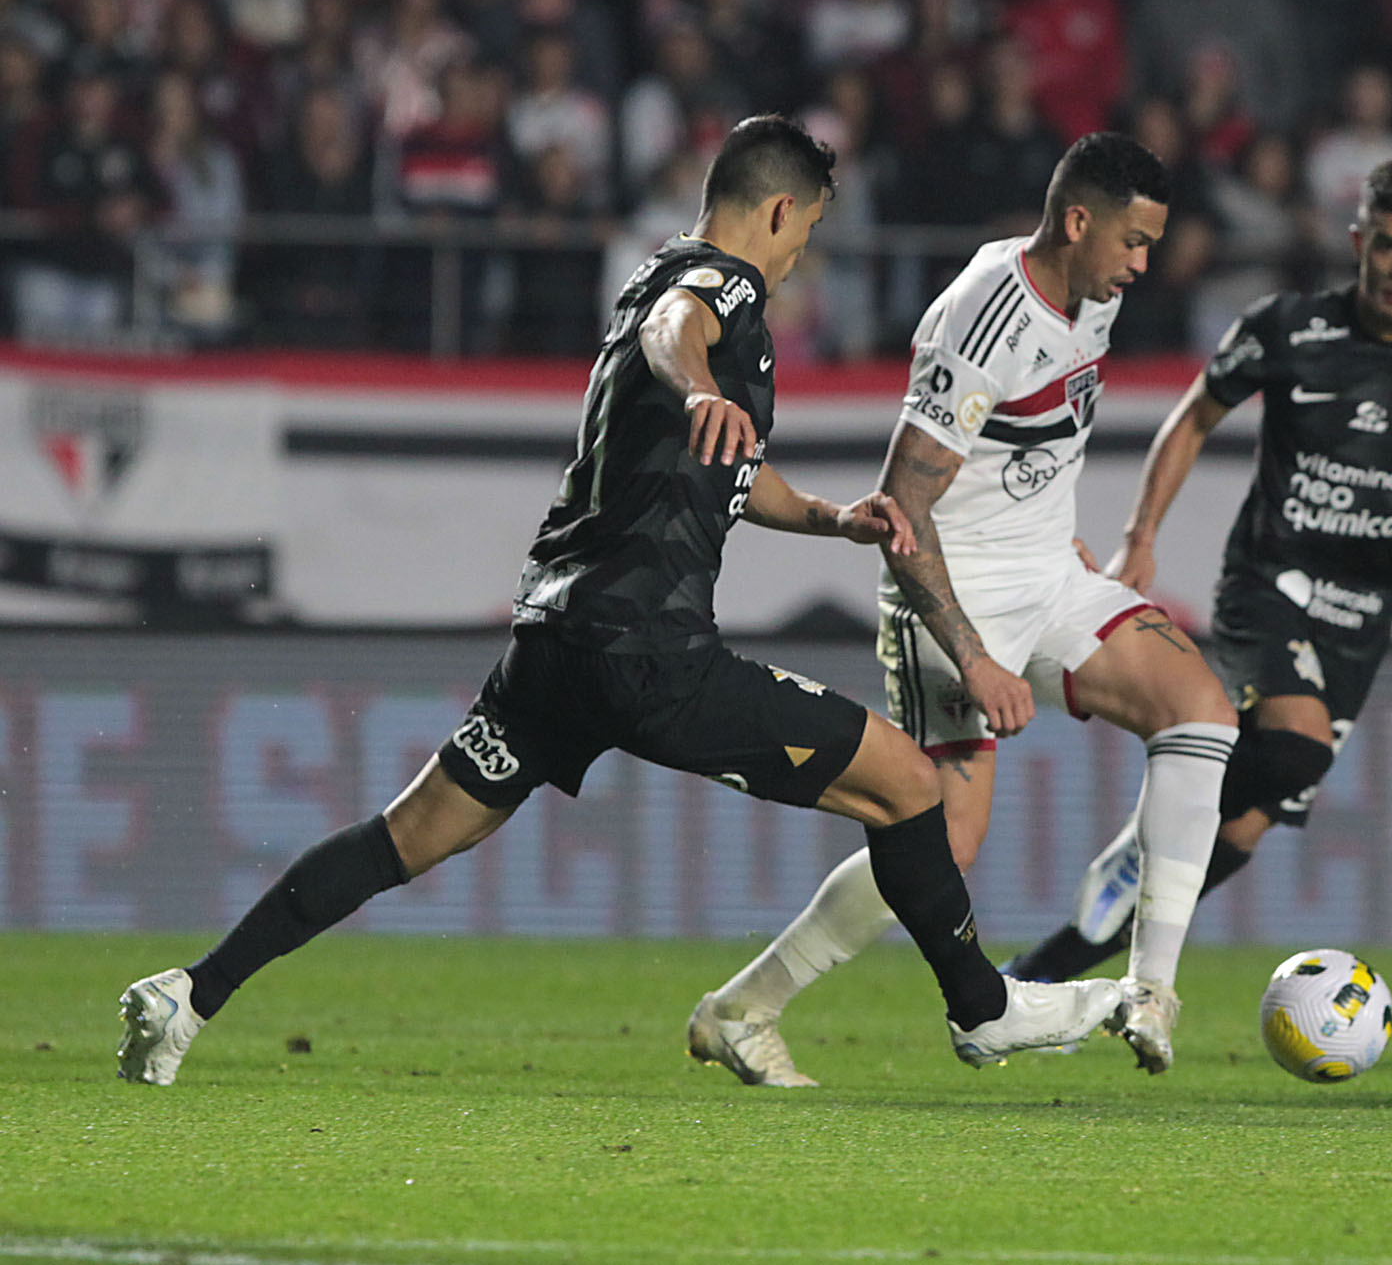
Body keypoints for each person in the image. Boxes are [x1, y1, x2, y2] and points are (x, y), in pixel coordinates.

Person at [115, 116, 1121, 1086]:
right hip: (648, 653)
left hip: (552, 642)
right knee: (909, 785)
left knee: (405, 837)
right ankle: (983, 1011)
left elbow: (731, 463)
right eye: (806, 236)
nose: (798, 259)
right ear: (776, 214)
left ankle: (189, 996)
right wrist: (695, 385)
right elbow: (674, 335)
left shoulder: (649, 268)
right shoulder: (710, 290)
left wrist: (826, 517)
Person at [693, 133, 1239, 1085]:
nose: (1144, 265)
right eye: (1134, 242)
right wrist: (978, 656)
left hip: (1049, 575)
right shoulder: (987, 321)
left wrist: (1053, 534)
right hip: (953, 588)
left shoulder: (1088, 295)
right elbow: (904, 504)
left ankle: (1152, 994)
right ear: (1078, 223)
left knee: (1201, 712)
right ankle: (744, 1007)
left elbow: (1037, 443)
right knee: (941, 836)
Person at [1005, 156, 1392, 984]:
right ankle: (1138, 851)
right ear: (1357, 243)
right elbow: (1192, 418)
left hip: (1363, 615)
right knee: (1296, 750)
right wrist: (1142, 536)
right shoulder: (1290, 328)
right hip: (1268, 582)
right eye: (1386, 247)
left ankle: (1043, 973)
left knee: (1241, 831)